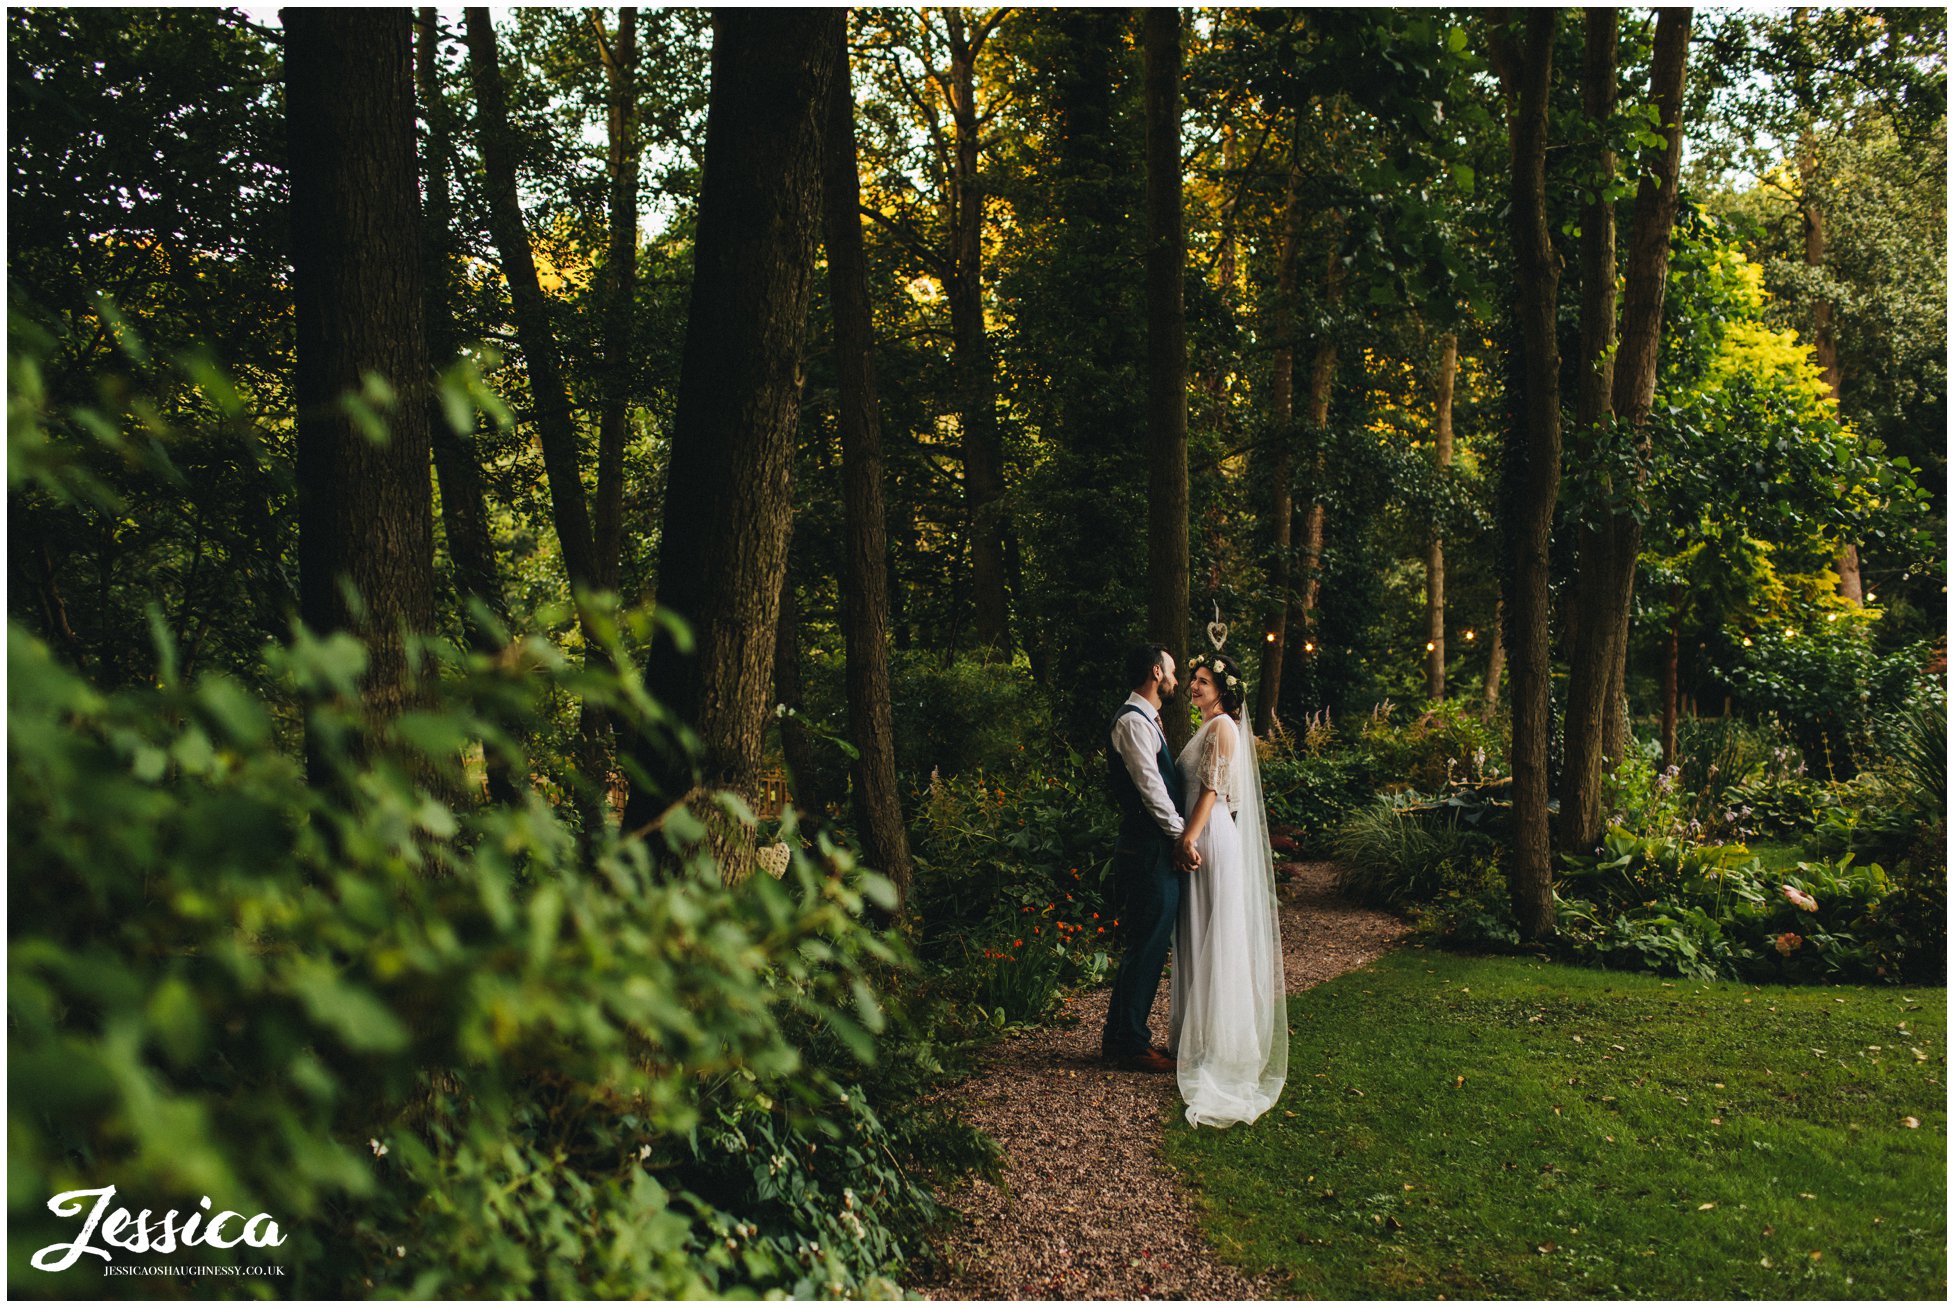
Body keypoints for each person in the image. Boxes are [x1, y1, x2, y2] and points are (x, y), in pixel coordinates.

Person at [1167, 650, 1287, 1127]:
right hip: (1206, 831)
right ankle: (1195, 1038)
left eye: (1202, 680)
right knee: (1199, 934)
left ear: (1223, 688)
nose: (1194, 686)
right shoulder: (1209, 726)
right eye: (1192, 679)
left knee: (1212, 936)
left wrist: (1188, 838)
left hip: (1209, 835)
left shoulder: (1221, 728)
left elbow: (1213, 789)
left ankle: (1214, 1043)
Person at [1101, 643, 1199, 1072]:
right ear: (1156, 672)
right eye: (1174, 672)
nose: (1178, 680)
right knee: (1146, 945)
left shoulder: (1145, 720)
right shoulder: (1132, 722)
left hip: (1152, 848)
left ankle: (1123, 1039)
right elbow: (1151, 789)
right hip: (1146, 850)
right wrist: (1181, 837)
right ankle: (1131, 1045)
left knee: (1148, 944)